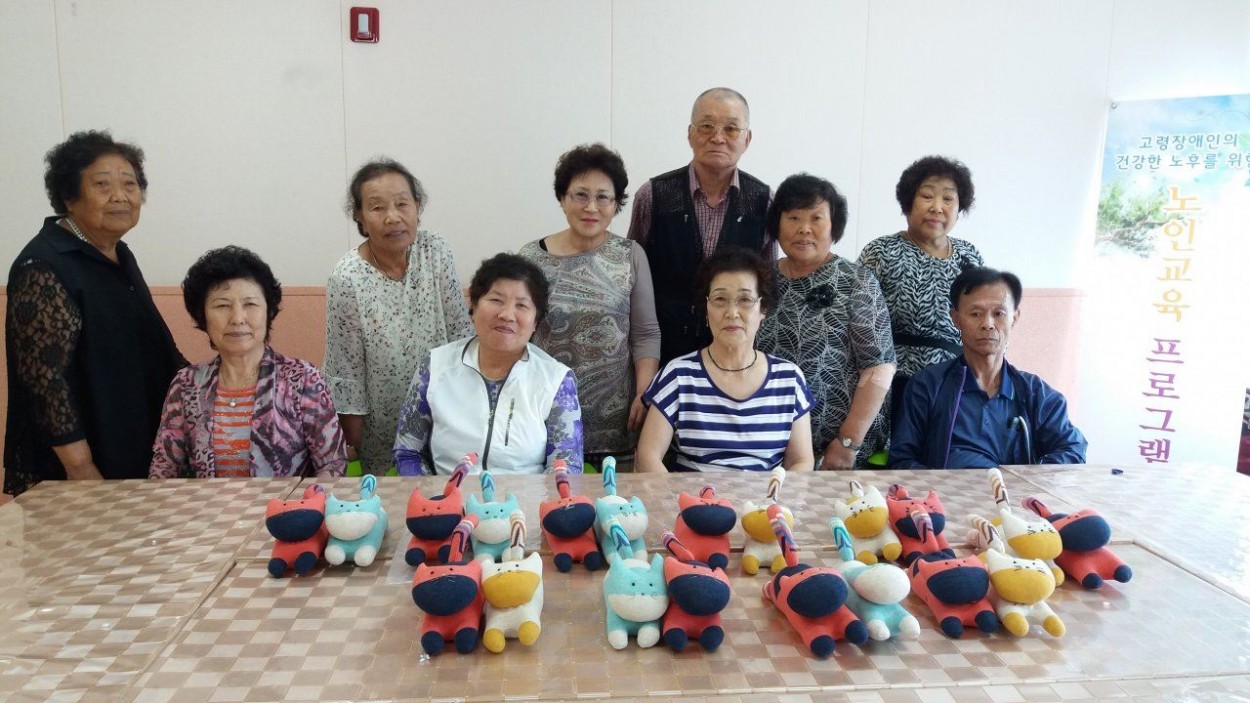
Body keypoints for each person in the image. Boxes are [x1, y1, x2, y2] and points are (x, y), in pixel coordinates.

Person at [4, 131, 185, 497]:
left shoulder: (118, 253)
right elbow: (47, 382)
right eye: (102, 185)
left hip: (131, 441)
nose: (120, 196)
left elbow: (154, 347)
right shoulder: (43, 265)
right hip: (80, 464)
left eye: (129, 184)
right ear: (69, 196)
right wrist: (81, 467)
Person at [324, 159, 472, 475]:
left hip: (445, 418)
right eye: (377, 208)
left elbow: (461, 332)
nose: (392, 217)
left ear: (418, 207)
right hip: (382, 432)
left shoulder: (435, 251)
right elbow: (346, 370)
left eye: (402, 204)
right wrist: (351, 446)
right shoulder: (347, 278)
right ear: (360, 217)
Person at [519, 143, 660, 470]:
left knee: (614, 500)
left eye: (603, 197)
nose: (591, 207)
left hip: (617, 424)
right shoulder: (531, 258)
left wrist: (644, 393)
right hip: (544, 416)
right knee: (551, 501)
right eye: (580, 195)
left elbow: (646, 333)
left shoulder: (630, 256)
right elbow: (518, 336)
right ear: (562, 198)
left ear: (616, 203)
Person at [150, 247, 346, 478]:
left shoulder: (303, 379)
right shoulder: (186, 385)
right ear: (202, 316)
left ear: (268, 311)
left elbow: (332, 465)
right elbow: (164, 469)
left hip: (289, 502)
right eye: (222, 306)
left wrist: (309, 499)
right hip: (210, 502)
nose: (237, 318)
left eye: (250, 304)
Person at [394, 253, 582, 475]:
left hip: (527, 496)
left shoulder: (556, 380)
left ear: (535, 322)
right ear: (473, 306)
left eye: (522, 305)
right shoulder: (435, 366)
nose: (507, 315)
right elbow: (408, 453)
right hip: (448, 493)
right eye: (496, 300)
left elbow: (565, 466)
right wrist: (433, 495)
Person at [756, 174, 896, 470]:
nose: (804, 228)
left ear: (834, 225)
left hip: (835, 451)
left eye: (816, 218)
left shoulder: (856, 282)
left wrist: (847, 442)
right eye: (793, 217)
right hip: (765, 445)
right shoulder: (760, 280)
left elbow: (878, 368)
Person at [628, 87, 773, 365]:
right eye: (707, 126)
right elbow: (632, 277)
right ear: (690, 133)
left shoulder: (763, 201)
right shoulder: (654, 195)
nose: (717, 137)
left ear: (747, 139)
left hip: (735, 356)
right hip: (663, 351)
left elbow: (767, 286)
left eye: (731, 128)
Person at [636, 247, 814, 473]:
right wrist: (677, 495)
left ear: (763, 308)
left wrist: (775, 495)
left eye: (745, 299)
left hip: (765, 495)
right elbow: (647, 456)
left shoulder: (789, 379)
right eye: (720, 299)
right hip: (692, 495)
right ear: (706, 307)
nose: (732, 312)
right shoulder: (678, 375)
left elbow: (801, 461)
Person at [889, 267, 1087, 469]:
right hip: (946, 488)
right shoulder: (928, 385)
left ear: (1014, 317)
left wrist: (1031, 476)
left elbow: (1072, 448)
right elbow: (902, 459)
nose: (988, 324)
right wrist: (938, 484)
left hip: (1010, 489)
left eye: (999, 313)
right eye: (975, 314)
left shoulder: (1035, 393)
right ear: (956, 318)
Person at [857, 156, 984, 425]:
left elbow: (985, 317)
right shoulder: (881, 252)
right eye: (927, 196)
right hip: (894, 385)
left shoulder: (969, 255)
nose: (937, 207)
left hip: (957, 383)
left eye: (948, 199)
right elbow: (859, 324)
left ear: (959, 207)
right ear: (908, 202)